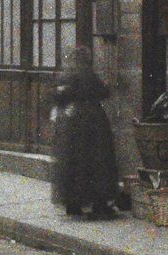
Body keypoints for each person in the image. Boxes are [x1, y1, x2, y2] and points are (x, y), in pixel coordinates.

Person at [50, 45, 122, 219]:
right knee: (98, 163)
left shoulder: (66, 75)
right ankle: (99, 203)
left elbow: (58, 97)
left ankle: (73, 204)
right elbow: (102, 92)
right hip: (93, 124)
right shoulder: (89, 75)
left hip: (71, 125)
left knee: (73, 163)